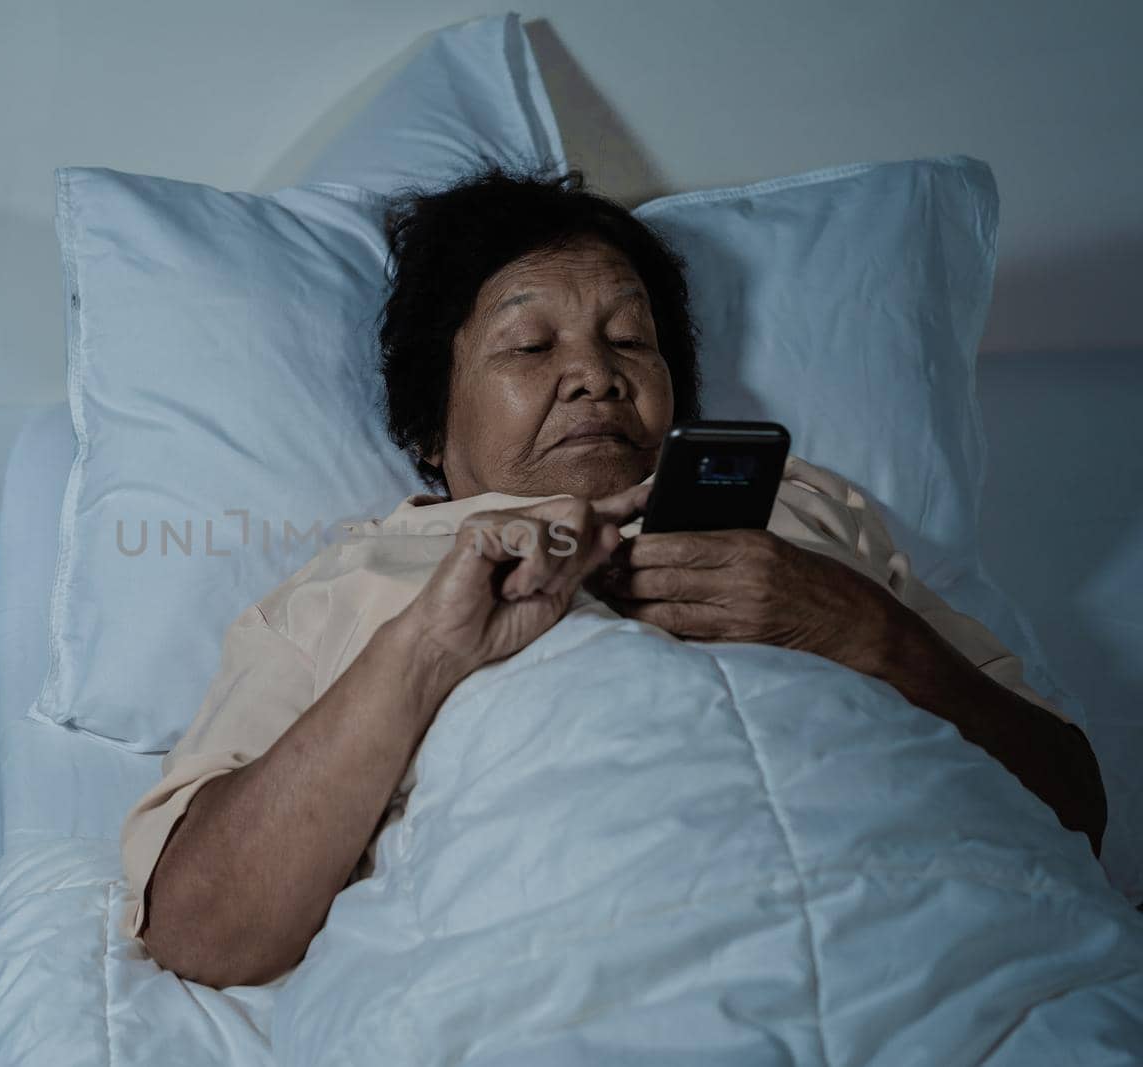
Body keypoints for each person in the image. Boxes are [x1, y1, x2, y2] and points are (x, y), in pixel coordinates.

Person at [121, 169, 1108, 990]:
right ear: (430, 424)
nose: (595, 375)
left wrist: (861, 631)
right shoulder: (362, 578)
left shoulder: (814, 515)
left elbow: (1074, 809)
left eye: (629, 341)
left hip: (924, 953)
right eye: (529, 345)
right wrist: (425, 652)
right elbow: (199, 927)